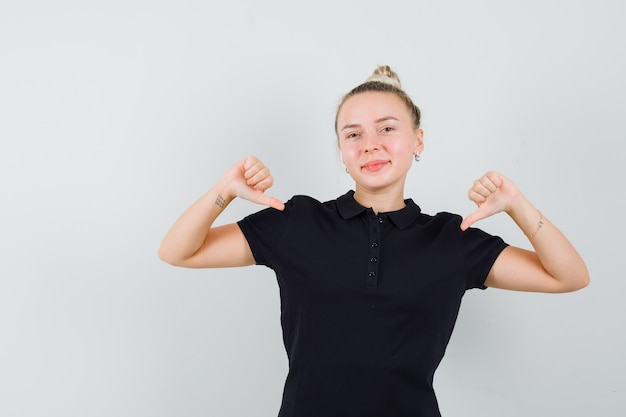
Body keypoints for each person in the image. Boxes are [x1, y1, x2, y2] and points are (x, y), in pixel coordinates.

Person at [158, 65, 589, 417]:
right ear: (342, 151)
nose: (370, 145)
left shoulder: (450, 240)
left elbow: (569, 276)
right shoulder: (298, 222)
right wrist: (224, 191)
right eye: (353, 134)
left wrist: (517, 205)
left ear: (418, 140)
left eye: (387, 129)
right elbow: (177, 251)